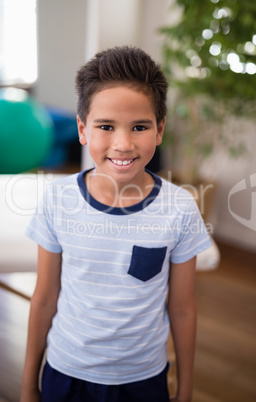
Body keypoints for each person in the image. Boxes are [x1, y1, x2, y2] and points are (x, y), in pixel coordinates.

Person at [20, 46, 211, 402]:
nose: (123, 144)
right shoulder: (57, 200)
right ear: (82, 129)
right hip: (66, 372)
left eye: (139, 127)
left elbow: (183, 308)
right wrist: (28, 384)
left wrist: (185, 390)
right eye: (106, 126)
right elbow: (45, 297)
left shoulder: (180, 208)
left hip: (143, 379)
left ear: (159, 130)